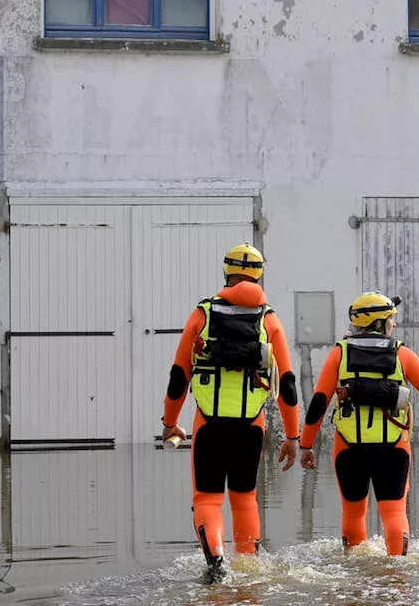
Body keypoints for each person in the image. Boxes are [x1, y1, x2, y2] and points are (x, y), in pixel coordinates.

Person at [298, 291, 419, 556]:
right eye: (391, 318)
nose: (394, 324)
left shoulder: (338, 354)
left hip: (349, 448)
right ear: (378, 322)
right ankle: (398, 577)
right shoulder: (402, 354)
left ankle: (354, 573)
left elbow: (318, 402)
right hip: (394, 448)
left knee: (353, 513)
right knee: (395, 512)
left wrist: (306, 445)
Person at [160, 243, 302, 583]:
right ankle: (248, 567)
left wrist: (169, 423)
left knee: (207, 499)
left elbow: (179, 375)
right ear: (259, 275)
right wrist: (293, 436)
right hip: (251, 426)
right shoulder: (270, 320)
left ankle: (217, 563)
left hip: (207, 424)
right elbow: (288, 383)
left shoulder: (202, 315)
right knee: (245, 499)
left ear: (225, 272)